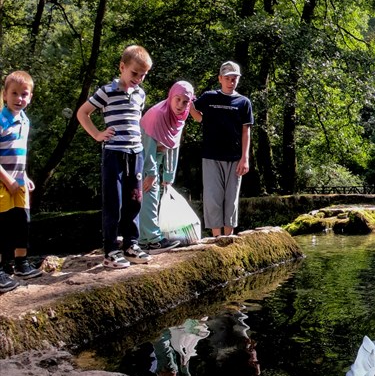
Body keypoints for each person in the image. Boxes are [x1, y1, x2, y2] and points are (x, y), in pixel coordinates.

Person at [76, 45, 153, 269]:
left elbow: (135, 120)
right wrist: (97, 134)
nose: (138, 79)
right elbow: (83, 112)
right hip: (114, 153)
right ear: (122, 67)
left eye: (143, 75)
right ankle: (110, 250)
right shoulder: (106, 91)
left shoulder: (140, 94)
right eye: (134, 73)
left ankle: (131, 244)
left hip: (135, 153)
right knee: (114, 202)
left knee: (135, 199)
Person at [192, 61, 253, 237]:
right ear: (220, 78)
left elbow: (246, 131)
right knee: (212, 198)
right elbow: (198, 116)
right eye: (227, 78)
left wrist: (245, 158)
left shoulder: (244, 102)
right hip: (211, 156)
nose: (230, 81)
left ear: (238, 80)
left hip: (235, 158)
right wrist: (188, 106)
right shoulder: (209, 97)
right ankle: (216, 238)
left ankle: (229, 237)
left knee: (231, 200)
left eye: (234, 78)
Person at [138, 80, 196, 252]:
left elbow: (173, 146)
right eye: (177, 99)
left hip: (158, 154)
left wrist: (168, 177)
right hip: (143, 155)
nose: (180, 105)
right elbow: (147, 146)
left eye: (185, 102)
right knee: (149, 193)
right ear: (170, 96)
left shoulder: (182, 115)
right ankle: (153, 240)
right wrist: (151, 173)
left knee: (153, 194)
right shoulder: (157, 115)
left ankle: (144, 240)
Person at [0, 70, 42, 293]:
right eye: (14, 94)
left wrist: (24, 176)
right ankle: (1, 268)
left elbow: (21, 153)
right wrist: (7, 179)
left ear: (30, 97)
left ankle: (21, 263)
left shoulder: (24, 120)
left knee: (22, 222)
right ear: (4, 95)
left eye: (24, 94)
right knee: (3, 224)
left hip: (19, 180)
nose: (19, 99)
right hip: (2, 181)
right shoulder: (1, 119)